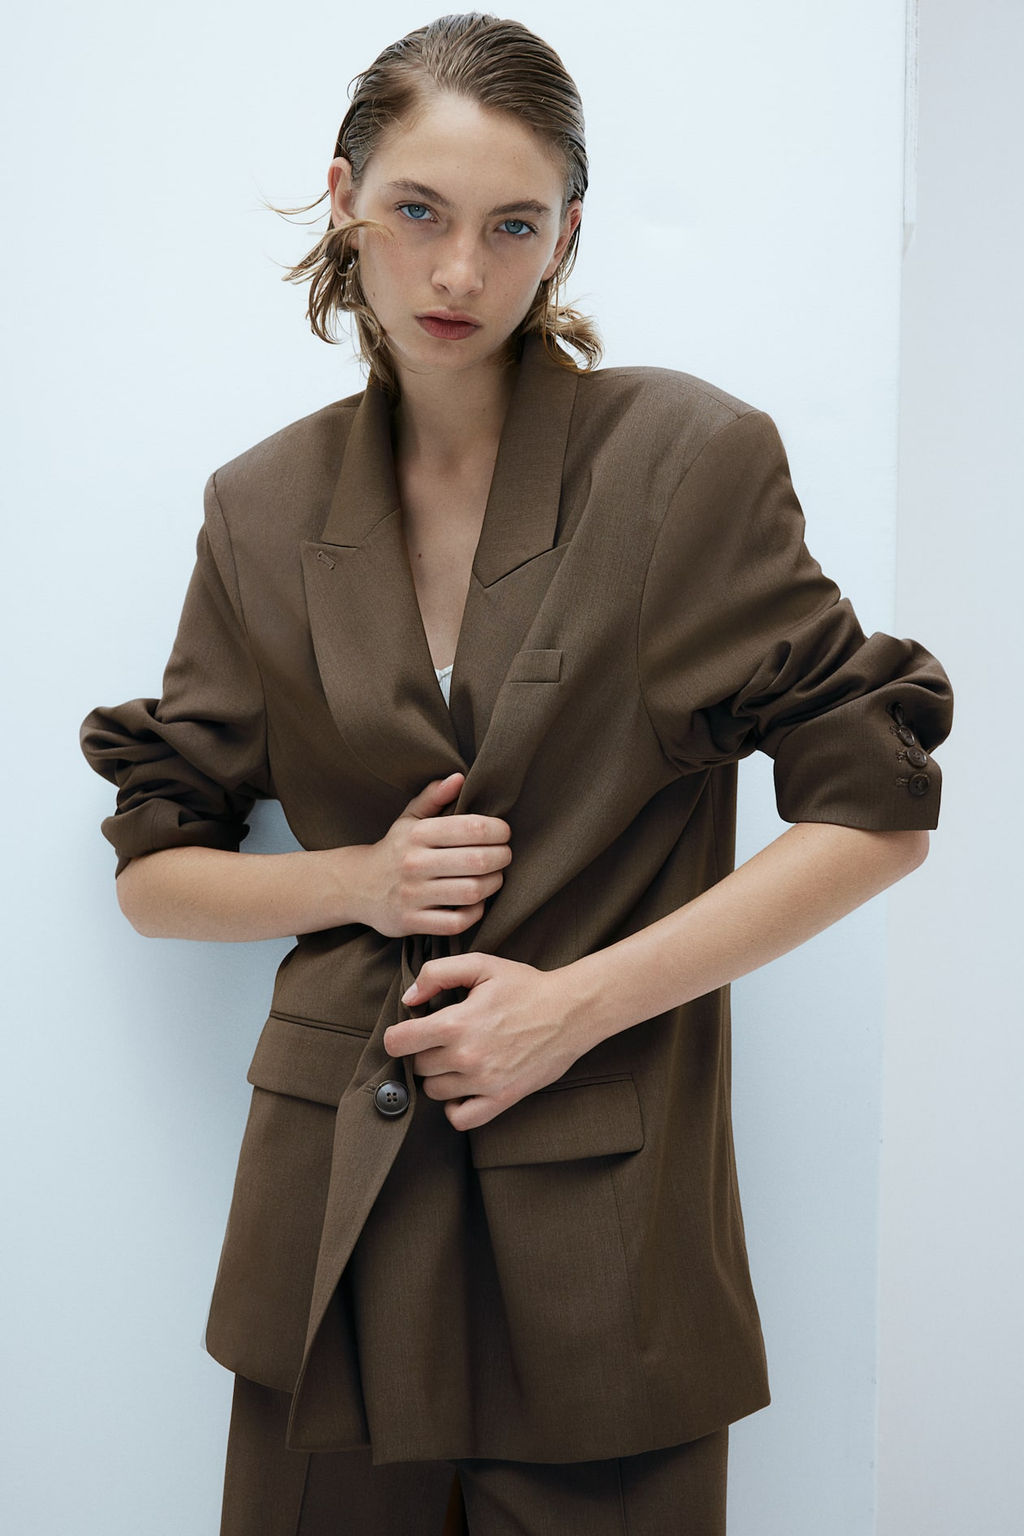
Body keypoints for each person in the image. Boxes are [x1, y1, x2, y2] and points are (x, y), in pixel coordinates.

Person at [79, 13, 954, 1536]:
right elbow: (156, 877)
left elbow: (876, 816)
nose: (459, 273)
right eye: (418, 211)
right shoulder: (260, 506)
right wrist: (359, 881)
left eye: (512, 225)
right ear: (345, 197)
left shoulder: (683, 463)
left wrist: (573, 1007)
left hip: (602, 1248)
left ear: (569, 235)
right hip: (329, 1238)